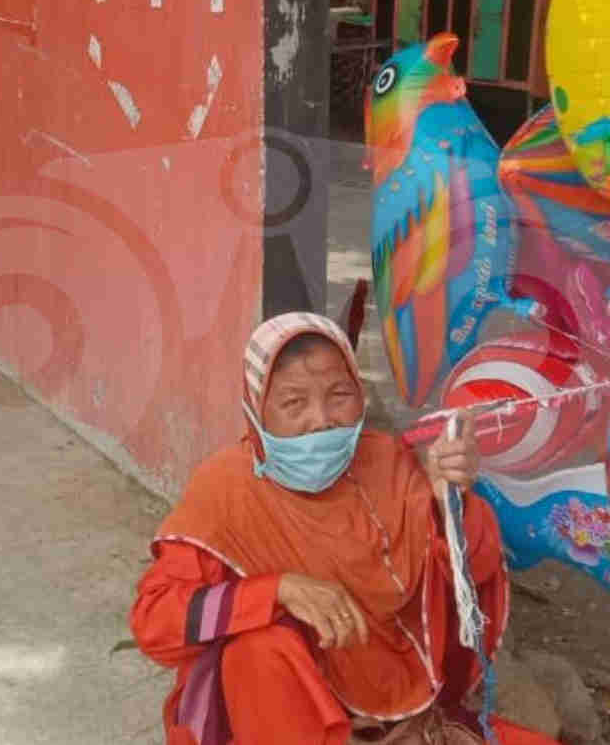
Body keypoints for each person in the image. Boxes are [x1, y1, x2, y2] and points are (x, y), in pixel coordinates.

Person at [129, 312, 558, 744]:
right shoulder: (225, 489)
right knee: (256, 651)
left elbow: (470, 577)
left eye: (338, 395)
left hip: (406, 718)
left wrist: (449, 501)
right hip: (289, 719)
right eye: (294, 403)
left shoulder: (386, 460)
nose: (321, 420)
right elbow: (156, 621)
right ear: (257, 410)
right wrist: (277, 591)